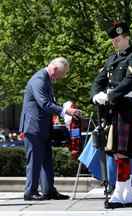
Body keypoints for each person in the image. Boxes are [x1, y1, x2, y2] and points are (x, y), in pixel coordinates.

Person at [90, 21, 132, 208]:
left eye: (118, 39)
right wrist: (96, 95)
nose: (115, 42)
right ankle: (125, 192)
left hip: (126, 107)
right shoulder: (111, 59)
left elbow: (130, 80)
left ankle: (122, 191)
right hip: (112, 109)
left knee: (122, 151)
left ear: (127, 37)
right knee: (114, 150)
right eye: (113, 40)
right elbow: (99, 80)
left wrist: (110, 94)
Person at [19, 57, 81, 201]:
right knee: (34, 160)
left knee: (46, 159)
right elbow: (45, 104)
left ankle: (48, 190)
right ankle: (30, 192)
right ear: (54, 69)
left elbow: (49, 104)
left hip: (43, 127)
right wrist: (65, 111)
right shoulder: (39, 79)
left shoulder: (47, 79)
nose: (61, 78)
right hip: (33, 127)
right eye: (61, 74)